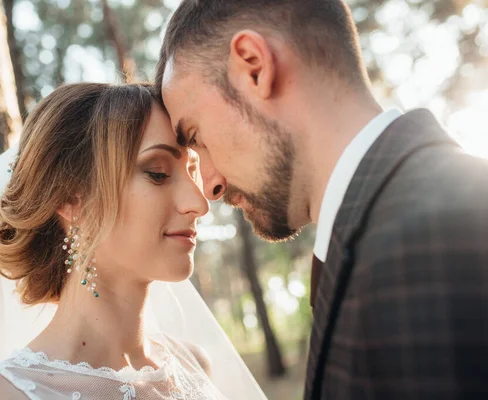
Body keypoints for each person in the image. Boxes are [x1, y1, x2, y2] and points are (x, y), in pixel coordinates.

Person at [157, 1, 488, 399]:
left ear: (254, 67)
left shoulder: (428, 238)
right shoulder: (382, 228)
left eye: (194, 136)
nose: (209, 185)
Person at [0, 83, 267, 400]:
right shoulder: (2, 395)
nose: (199, 204)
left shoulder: (194, 365)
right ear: (71, 198)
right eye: (157, 173)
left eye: (192, 172)